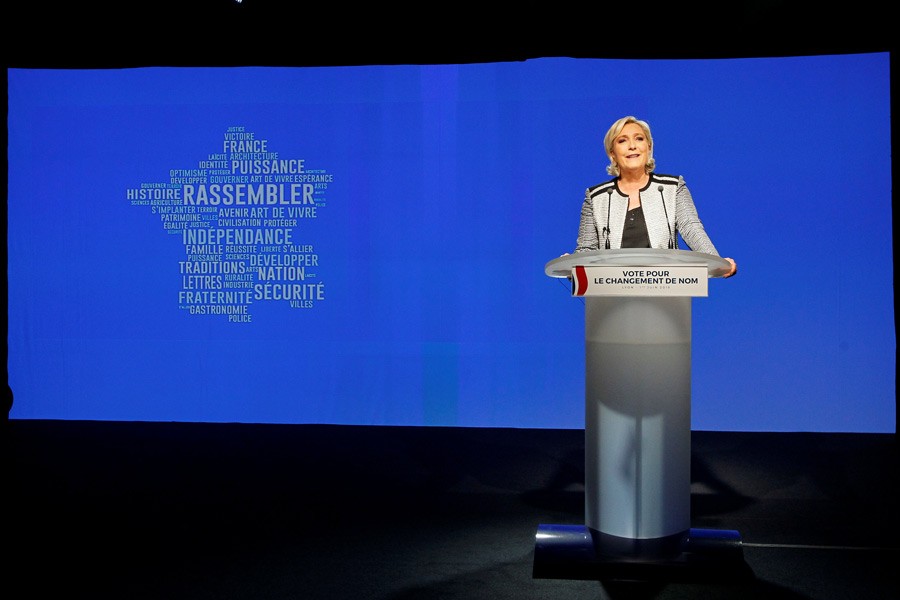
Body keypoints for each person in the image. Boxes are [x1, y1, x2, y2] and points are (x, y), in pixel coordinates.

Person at [573, 115, 737, 277]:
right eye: (622, 141)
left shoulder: (672, 187)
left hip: (665, 290)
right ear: (612, 154)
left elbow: (692, 228)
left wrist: (717, 261)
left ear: (649, 147)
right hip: (611, 296)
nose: (632, 146)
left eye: (639, 139)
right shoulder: (596, 197)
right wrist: (571, 264)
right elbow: (587, 250)